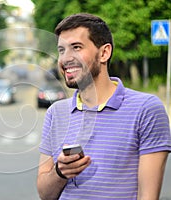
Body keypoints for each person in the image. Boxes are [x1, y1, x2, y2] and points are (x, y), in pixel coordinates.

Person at [37, 13, 171, 200]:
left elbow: (148, 196)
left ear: (104, 53)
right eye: (61, 50)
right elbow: (45, 194)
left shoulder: (146, 109)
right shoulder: (56, 113)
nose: (66, 59)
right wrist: (60, 172)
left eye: (76, 47)